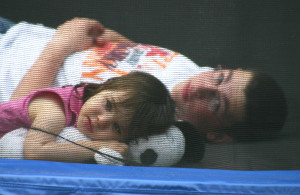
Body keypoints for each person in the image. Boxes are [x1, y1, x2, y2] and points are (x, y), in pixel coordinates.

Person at [0, 17, 288, 143]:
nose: (200, 86)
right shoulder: (195, 73)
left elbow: (16, 113)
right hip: (16, 30)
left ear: (219, 136)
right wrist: (111, 38)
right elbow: (137, 58)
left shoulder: (149, 124)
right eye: (220, 76)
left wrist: (60, 46)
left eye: (215, 103)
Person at [0, 71, 176, 163]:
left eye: (116, 127)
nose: (102, 120)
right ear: (105, 85)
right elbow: (35, 152)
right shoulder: (54, 110)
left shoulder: (85, 109)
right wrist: (99, 146)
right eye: (108, 105)